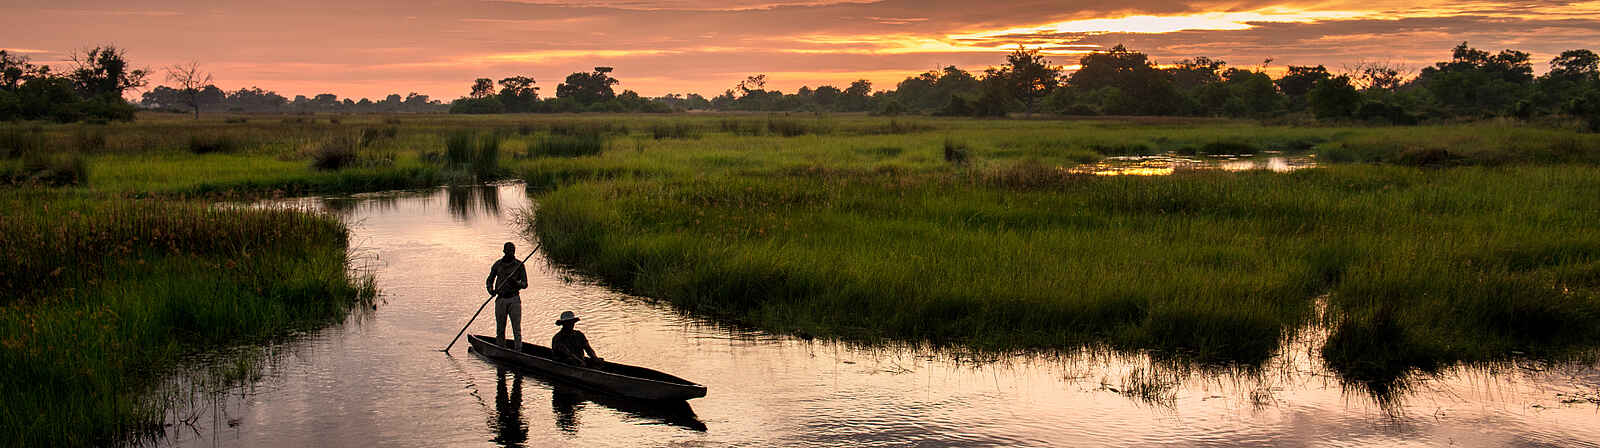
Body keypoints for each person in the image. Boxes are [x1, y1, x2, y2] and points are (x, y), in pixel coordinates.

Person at [486, 242, 528, 350]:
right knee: (500, 328)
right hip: (501, 299)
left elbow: (525, 284)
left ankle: (518, 350)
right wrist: (491, 291)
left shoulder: (519, 265)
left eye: (512, 251)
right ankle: (500, 349)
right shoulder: (498, 265)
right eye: (509, 251)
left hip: (514, 299)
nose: (511, 254)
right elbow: (489, 280)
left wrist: (516, 283)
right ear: (504, 251)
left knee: (516, 329)